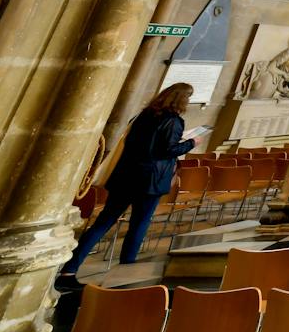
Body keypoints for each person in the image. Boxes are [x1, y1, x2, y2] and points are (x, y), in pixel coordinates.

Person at [59, 83, 199, 287]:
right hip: (149, 181)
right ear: (181, 100)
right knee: (139, 224)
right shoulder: (173, 121)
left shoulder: (143, 116)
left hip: (126, 176)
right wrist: (192, 143)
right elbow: (166, 150)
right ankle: (126, 272)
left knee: (103, 223)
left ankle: (69, 270)